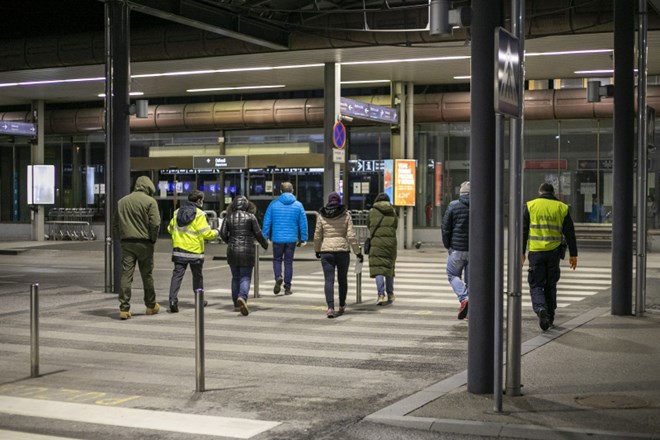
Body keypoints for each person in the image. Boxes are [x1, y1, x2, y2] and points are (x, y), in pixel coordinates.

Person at [522, 182, 578, 331]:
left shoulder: (530, 206)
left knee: (536, 284)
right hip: (554, 253)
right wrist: (574, 255)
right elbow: (570, 233)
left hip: (536, 252)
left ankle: (540, 308)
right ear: (553, 193)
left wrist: (521, 253)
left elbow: (523, 231)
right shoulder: (562, 207)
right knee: (551, 284)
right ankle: (550, 317)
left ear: (540, 192)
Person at [112, 175, 161, 320]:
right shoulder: (150, 202)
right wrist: (153, 239)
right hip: (145, 243)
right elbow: (155, 223)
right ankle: (151, 305)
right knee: (147, 275)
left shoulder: (122, 202)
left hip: (127, 243)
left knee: (126, 275)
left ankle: (124, 308)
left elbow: (115, 224)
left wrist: (121, 238)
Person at [167, 190, 219, 313]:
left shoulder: (176, 212)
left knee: (177, 276)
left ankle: (173, 301)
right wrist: (217, 231)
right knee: (197, 277)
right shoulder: (200, 215)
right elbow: (207, 234)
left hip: (179, 250)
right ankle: (199, 300)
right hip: (195, 252)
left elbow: (169, 229)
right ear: (199, 200)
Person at [314, 192, 363, 318]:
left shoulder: (322, 215)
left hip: (326, 251)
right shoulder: (345, 214)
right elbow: (351, 236)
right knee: (342, 280)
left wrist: (317, 250)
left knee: (329, 280)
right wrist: (357, 252)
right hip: (342, 251)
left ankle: (330, 308)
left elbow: (317, 235)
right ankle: (341, 305)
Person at [220, 195, 269, 316]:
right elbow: (258, 233)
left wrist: (229, 241)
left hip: (232, 250)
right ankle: (242, 297)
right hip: (247, 250)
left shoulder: (228, 217)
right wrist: (265, 244)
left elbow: (222, 233)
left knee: (235, 277)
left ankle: (236, 303)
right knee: (245, 277)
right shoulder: (251, 217)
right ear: (247, 205)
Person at [262, 181, 308, 296]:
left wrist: (265, 237)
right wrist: (303, 238)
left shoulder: (273, 204)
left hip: (277, 238)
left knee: (277, 259)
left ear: (281, 191)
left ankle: (278, 277)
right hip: (291, 239)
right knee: (288, 262)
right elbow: (303, 223)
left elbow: (267, 222)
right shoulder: (298, 205)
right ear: (292, 191)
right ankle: (287, 287)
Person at [441, 181, 470, 320]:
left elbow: (446, 228)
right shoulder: (479, 206)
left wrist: (448, 245)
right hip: (475, 251)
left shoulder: (453, 205)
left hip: (457, 249)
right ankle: (472, 306)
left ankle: (464, 298)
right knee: (472, 281)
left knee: (452, 275)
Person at [367, 192, 398, 305]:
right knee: (389, 268)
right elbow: (395, 225)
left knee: (379, 269)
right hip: (390, 243)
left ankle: (380, 295)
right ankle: (390, 294)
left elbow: (368, 224)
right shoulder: (393, 211)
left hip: (376, 243)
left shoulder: (372, 211)